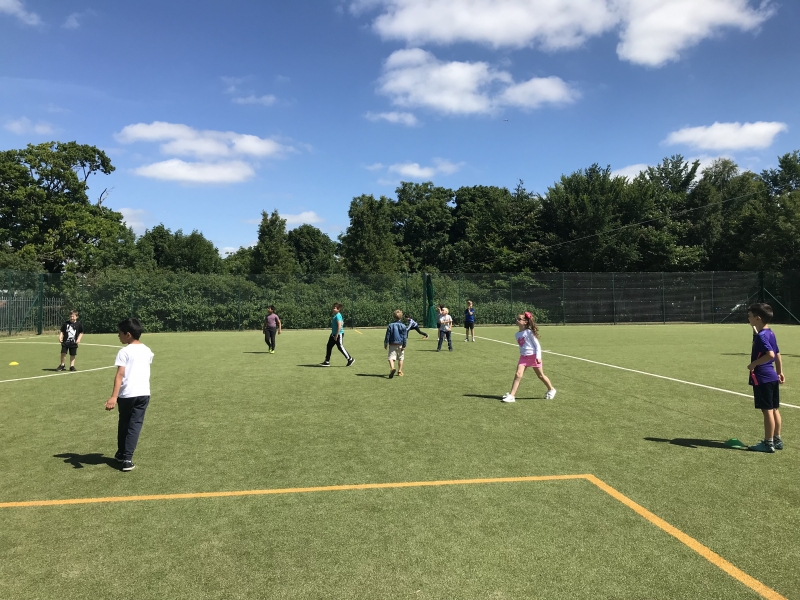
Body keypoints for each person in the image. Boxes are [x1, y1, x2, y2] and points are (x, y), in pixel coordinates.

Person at [104, 318, 154, 472]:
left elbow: (120, 375)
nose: (118, 336)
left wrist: (114, 396)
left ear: (128, 334)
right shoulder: (147, 350)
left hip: (127, 394)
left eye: (119, 333)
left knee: (125, 424)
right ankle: (124, 456)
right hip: (143, 393)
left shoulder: (124, 352)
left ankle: (124, 456)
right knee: (134, 425)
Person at [746, 303, 784, 452]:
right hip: (772, 376)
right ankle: (777, 439)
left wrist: (753, 364)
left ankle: (768, 443)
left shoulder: (762, 336)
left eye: (750, 316)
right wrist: (779, 372)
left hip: (762, 377)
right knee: (774, 409)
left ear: (758, 318)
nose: (748, 319)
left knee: (767, 410)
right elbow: (778, 354)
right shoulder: (770, 333)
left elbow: (771, 354)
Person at [502, 312, 556, 403]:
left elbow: (537, 345)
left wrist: (538, 357)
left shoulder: (529, 332)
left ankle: (551, 389)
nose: (517, 320)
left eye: (519, 319)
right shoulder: (517, 334)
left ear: (525, 322)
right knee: (518, 374)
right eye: (517, 318)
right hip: (523, 357)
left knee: (540, 376)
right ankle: (512, 395)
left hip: (533, 357)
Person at [320, 303, 354, 367]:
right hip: (333, 334)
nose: (333, 309)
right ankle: (327, 361)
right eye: (333, 307)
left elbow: (339, 326)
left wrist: (336, 335)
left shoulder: (338, 315)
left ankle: (350, 359)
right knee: (329, 346)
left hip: (338, 334)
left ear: (338, 309)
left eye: (334, 308)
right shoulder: (335, 315)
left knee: (340, 347)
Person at [384, 309, 408, 378]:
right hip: (400, 344)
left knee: (391, 358)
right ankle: (399, 371)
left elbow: (387, 335)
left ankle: (392, 368)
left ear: (394, 317)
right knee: (401, 358)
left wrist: (385, 343)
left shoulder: (390, 325)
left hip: (392, 344)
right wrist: (404, 345)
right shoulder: (403, 326)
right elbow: (405, 337)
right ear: (401, 317)